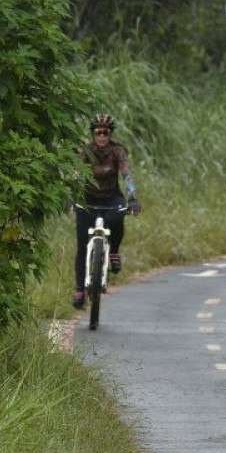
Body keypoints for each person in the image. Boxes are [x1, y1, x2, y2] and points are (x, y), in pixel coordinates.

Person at [72, 114, 140, 309]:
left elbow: (126, 174)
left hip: (112, 197)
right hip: (87, 198)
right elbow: (76, 174)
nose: (102, 136)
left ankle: (114, 252)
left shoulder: (117, 151)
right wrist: (71, 195)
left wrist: (133, 197)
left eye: (105, 133)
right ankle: (79, 289)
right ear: (93, 134)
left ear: (110, 134)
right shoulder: (85, 151)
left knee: (119, 217)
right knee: (82, 245)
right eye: (98, 132)